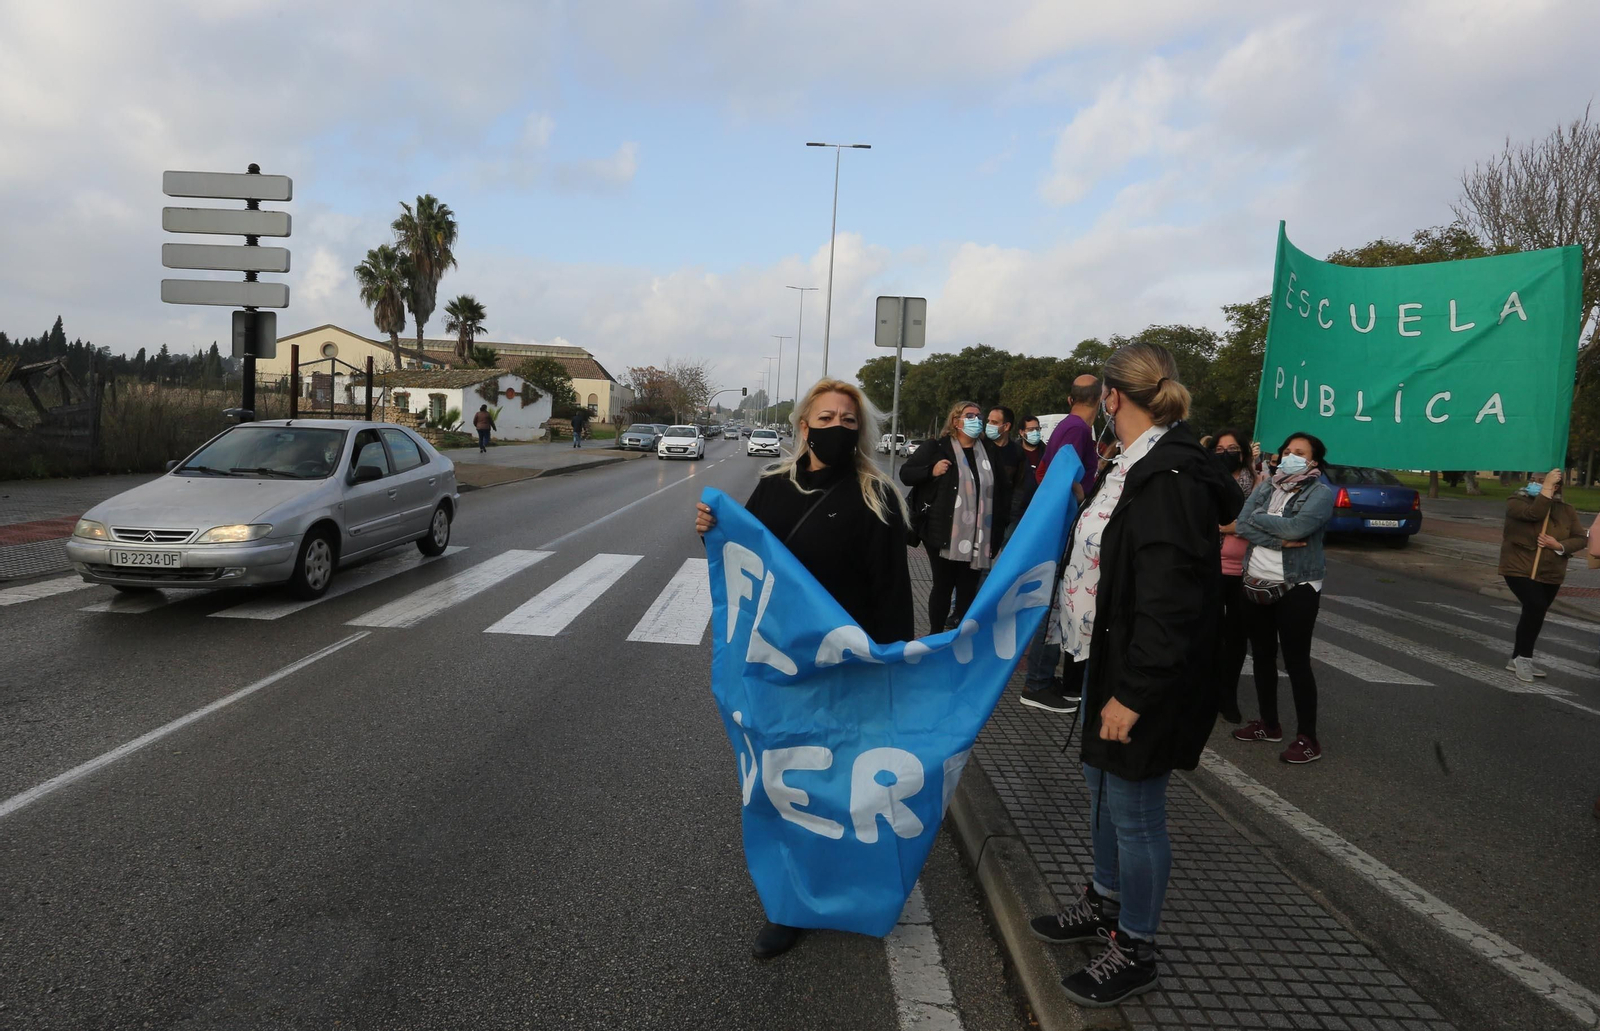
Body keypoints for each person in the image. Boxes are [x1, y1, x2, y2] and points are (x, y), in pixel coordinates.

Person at [1027, 341, 1241, 1007]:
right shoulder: (1132, 461)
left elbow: (1170, 599)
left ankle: (1137, 944)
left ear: (1113, 397)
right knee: (1101, 788)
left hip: (1140, 673)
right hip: (1105, 656)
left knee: (1136, 809)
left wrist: (1134, 693)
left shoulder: (1168, 474)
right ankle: (1103, 900)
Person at [694, 378, 913, 962]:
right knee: (783, 788)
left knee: (838, 790)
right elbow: (750, 565)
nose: (837, 428)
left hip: (847, 673)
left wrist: (892, 669)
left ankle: (843, 889)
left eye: (848, 421)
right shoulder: (772, 488)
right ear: (803, 425)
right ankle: (787, 906)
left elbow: (892, 594)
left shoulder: (877, 495)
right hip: (781, 673)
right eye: (827, 417)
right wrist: (713, 534)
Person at [1231, 433, 1335, 764]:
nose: (1289, 456)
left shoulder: (1320, 493)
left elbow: (1298, 529)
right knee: (1261, 656)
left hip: (1297, 586)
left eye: (1299, 453)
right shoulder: (1266, 485)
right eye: (1287, 450)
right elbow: (1242, 525)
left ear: (1313, 462)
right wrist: (1275, 536)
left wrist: (1263, 522)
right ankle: (1269, 724)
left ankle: (1308, 738)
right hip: (1255, 581)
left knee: (1296, 662)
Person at [1018, 377, 1103, 713]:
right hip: (1062, 528)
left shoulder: (1072, 427)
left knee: (1053, 608)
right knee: (1051, 609)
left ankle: (1041, 679)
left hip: (1060, 526)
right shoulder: (1078, 429)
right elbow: (1056, 475)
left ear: (1071, 398)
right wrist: (1080, 495)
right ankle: (1036, 683)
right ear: (1101, 399)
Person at [900, 400, 1013, 636]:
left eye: (978, 416)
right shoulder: (937, 447)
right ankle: (935, 635)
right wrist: (931, 471)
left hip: (980, 535)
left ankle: (959, 638)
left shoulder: (989, 451)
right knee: (943, 585)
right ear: (955, 421)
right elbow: (906, 474)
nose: (976, 420)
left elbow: (1002, 493)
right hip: (941, 532)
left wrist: (997, 535)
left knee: (968, 588)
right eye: (970, 416)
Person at [1499, 468, 1586, 682]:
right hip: (1519, 567)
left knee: (1534, 613)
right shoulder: (1517, 501)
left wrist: (1559, 545)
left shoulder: (1566, 510)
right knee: (1536, 606)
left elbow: (1580, 538)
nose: (1536, 483)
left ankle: (1517, 658)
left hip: (1551, 570)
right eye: (1534, 480)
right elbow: (1534, 514)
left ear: (1557, 486)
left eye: (1543, 480)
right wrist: (1545, 489)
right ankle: (1524, 659)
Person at [1211, 429, 1259, 724]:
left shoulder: (1259, 485)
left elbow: (1261, 523)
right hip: (1210, 568)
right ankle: (1205, 690)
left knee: (1237, 637)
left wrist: (1231, 527)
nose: (1226, 454)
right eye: (1219, 449)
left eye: (1231, 448)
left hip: (1246, 570)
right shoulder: (1206, 480)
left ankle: (1227, 695)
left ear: (1243, 453)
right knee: (1208, 634)